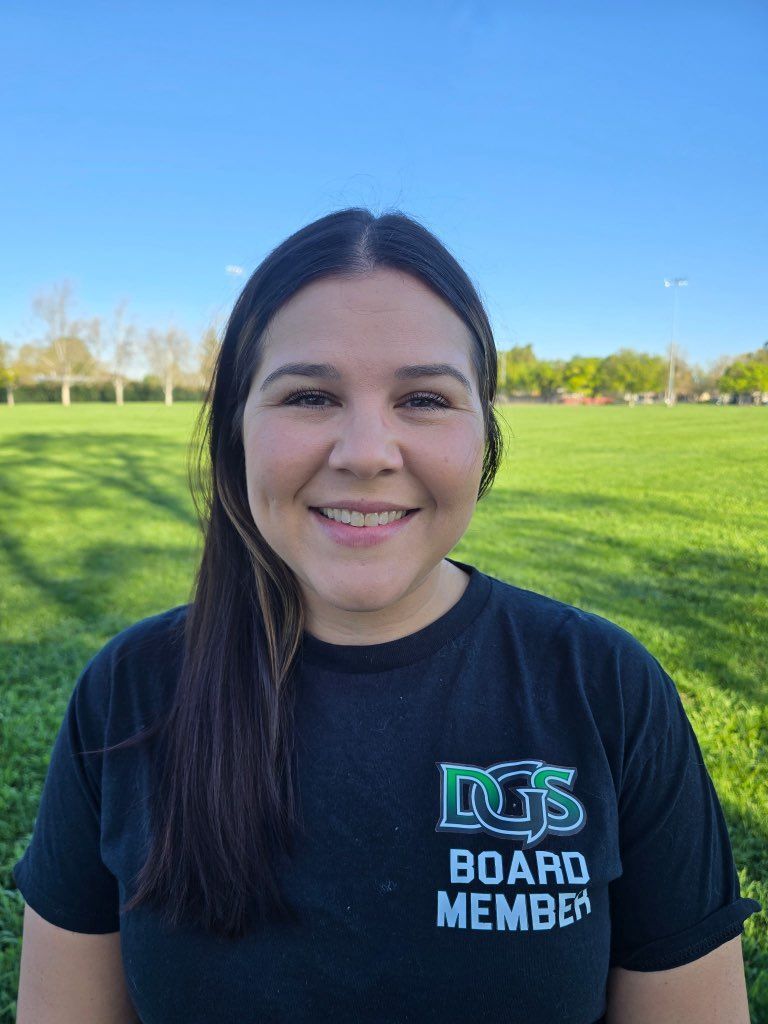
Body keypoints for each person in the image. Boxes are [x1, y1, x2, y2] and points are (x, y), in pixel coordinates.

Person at [13, 208, 760, 1024]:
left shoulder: (605, 687)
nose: (366, 452)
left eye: (424, 399)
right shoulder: (128, 691)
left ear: (486, 437)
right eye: (309, 394)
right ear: (235, 430)